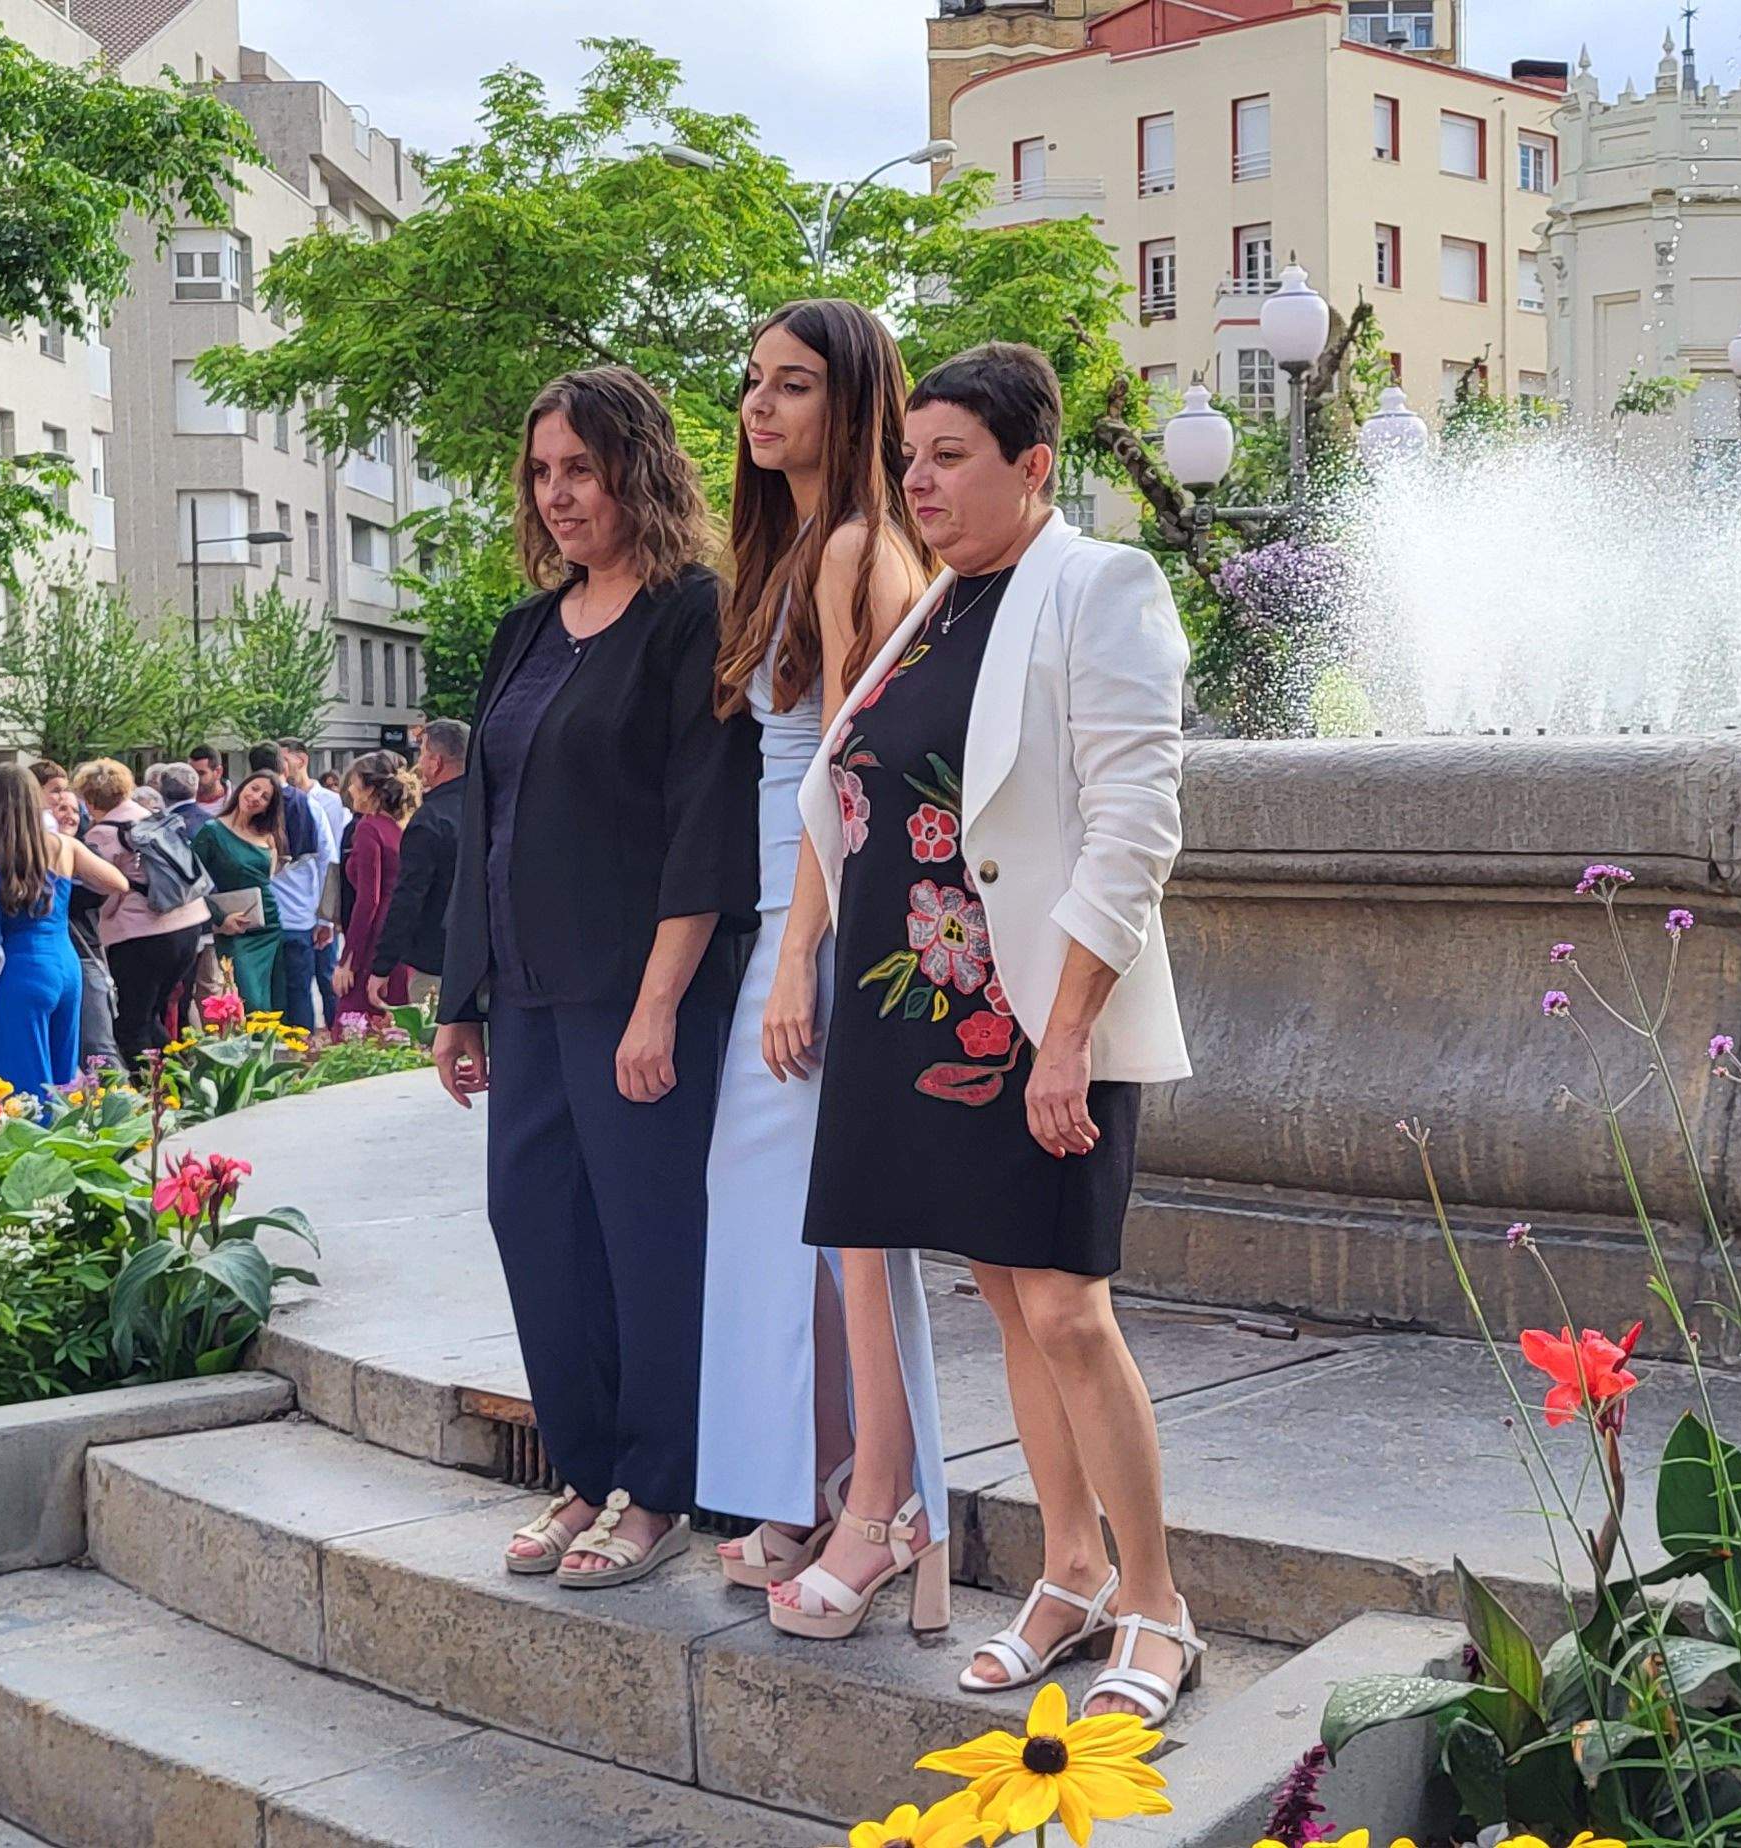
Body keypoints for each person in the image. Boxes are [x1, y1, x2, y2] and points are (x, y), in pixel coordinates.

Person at [793, 343, 1199, 1717]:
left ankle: (1158, 1601)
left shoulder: (1097, 585)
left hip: (1033, 1004)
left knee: (1072, 1308)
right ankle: (1070, 1570)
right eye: (912, 456)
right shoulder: (943, 606)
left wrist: (1070, 1032)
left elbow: (1136, 824)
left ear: (1035, 465)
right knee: (1007, 1300)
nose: (919, 478)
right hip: (920, 1009)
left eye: (950, 455)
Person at [433, 364, 754, 1590]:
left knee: (648, 1239)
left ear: (638, 467)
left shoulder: (690, 612)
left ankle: (658, 1487)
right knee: (539, 1227)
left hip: (638, 994)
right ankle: (582, 1472)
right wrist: (461, 998)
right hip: (524, 989)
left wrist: (661, 1002)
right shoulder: (526, 628)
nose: (559, 494)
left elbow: (702, 821)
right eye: (543, 472)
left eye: (582, 468)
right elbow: (483, 821)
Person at [685, 301, 952, 1640]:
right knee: (787, 1217)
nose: (761, 406)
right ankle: (817, 1479)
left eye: (793, 385)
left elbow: (854, 776)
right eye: (752, 383)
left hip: (825, 915)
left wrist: (800, 958)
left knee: (844, 1228)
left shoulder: (857, 548)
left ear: (854, 406)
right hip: (785, 912)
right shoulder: (795, 549)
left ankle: (885, 1511)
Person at [0, 763, 130, 1100]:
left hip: (23, 972)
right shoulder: (64, 846)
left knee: (25, 1086)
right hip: (67, 965)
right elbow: (118, 882)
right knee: (64, 1078)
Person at [82, 759, 210, 1061]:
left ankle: (162, 1096)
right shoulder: (151, 817)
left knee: (130, 1026)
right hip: (188, 926)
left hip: (143, 936)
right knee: (150, 1015)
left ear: (89, 800)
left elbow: (106, 891)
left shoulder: (101, 835)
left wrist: (105, 921)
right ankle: (183, 1085)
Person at [382, 721, 467, 1011]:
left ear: (436, 761)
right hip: (493, 955)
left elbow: (409, 894)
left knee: (436, 1049)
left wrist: (383, 965)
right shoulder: (493, 807)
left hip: (437, 957)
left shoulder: (430, 820)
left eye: (422, 753)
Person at [327, 751, 418, 1022]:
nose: (350, 790)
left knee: (356, 1019)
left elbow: (369, 899)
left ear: (370, 789)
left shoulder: (369, 828)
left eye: (354, 783)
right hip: (401, 932)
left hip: (374, 936)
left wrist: (349, 960)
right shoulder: (400, 825)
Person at [197, 769, 288, 1017]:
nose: (256, 797)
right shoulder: (211, 831)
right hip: (234, 927)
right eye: (254, 788)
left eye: (266, 796)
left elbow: (267, 879)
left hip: (268, 924)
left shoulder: (267, 835)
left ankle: (270, 1053)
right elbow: (193, 883)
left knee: (274, 1000)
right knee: (248, 1001)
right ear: (242, 787)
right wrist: (219, 919)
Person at [269, 740, 346, 1033]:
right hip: (290, 911)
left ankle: (333, 1036)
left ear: (299, 761)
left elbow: (331, 858)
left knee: (322, 978)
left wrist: (327, 914)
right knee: (290, 986)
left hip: (309, 907)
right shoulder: (275, 800)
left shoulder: (323, 802)